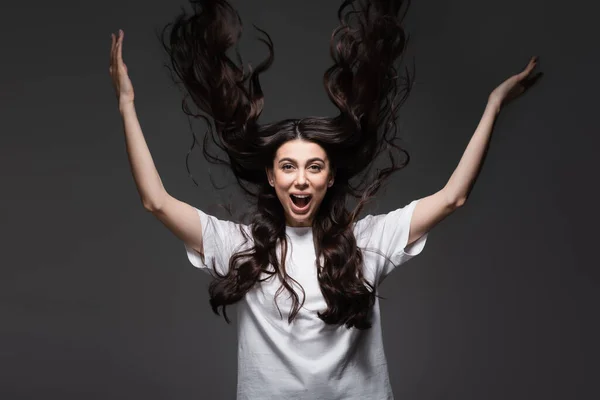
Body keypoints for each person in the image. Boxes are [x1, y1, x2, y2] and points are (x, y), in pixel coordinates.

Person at [108, 1, 541, 398]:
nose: (301, 180)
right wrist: (127, 104)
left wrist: (493, 105)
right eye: (289, 167)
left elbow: (453, 197)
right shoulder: (240, 247)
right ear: (271, 177)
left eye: (314, 167)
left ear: (330, 178)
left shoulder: (368, 240)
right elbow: (156, 202)